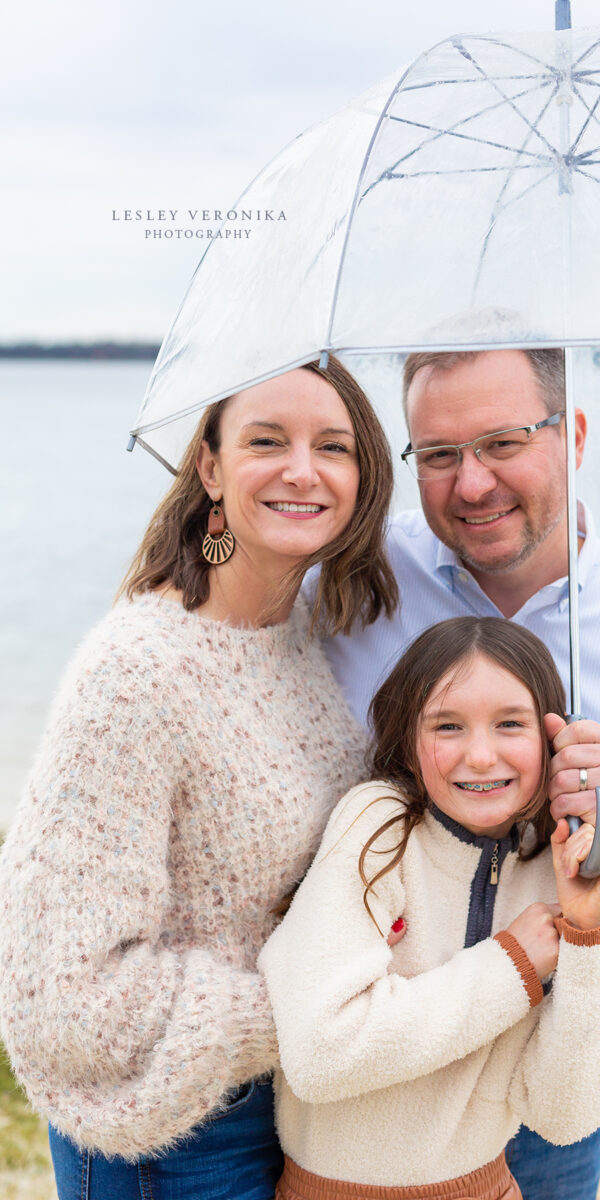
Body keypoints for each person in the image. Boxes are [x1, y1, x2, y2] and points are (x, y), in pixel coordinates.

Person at [313, 347, 600, 1200]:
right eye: (439, 456)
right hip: (362, 1073)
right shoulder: (355, 583)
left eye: (504, 442)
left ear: (575, 434)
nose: (471, 484)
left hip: (544, 1083)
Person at [0, 357, 397, 1200]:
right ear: (210, 468)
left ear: (363, 479)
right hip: (172, 1139)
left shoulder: (300, 642)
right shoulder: (137, 672)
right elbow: (65, 998)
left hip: (285, 1110)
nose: (303, 468)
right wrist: (308, 1011)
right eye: (267, 440)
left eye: (334, 446)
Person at [261, 616, 600, 1200]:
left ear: (555, 741)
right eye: (448, 726)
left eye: (510, 724)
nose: (481, 756)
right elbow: (321, 1052)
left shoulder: (551, 865)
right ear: (409, 739)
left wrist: (590, 933)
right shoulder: (376, 828)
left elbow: (566, 1115)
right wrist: (511, 965)